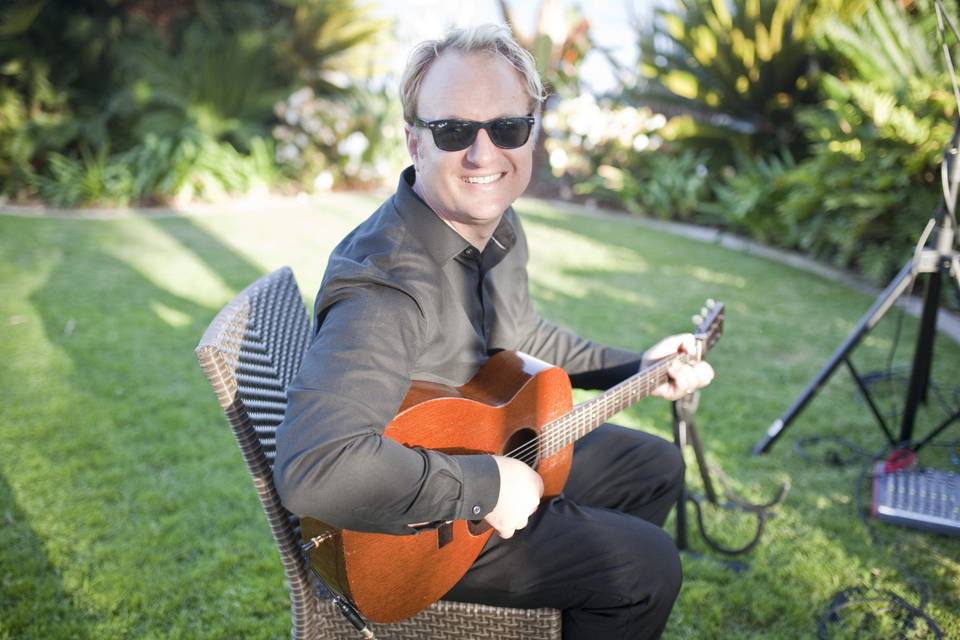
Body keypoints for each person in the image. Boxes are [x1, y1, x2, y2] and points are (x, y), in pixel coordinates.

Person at [274, 23, 714, 640]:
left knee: (655, 464)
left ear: (531, 132)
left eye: (507, 128)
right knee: (644, 566)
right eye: (454, 131)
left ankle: (568, 607)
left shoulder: (495, 227)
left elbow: (522, 337)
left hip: (477, 461)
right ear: (413, 141)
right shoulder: (388, 287)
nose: (484, 156)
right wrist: (486, 487)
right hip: (411, 533)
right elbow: (315, 467)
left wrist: (634, 364)